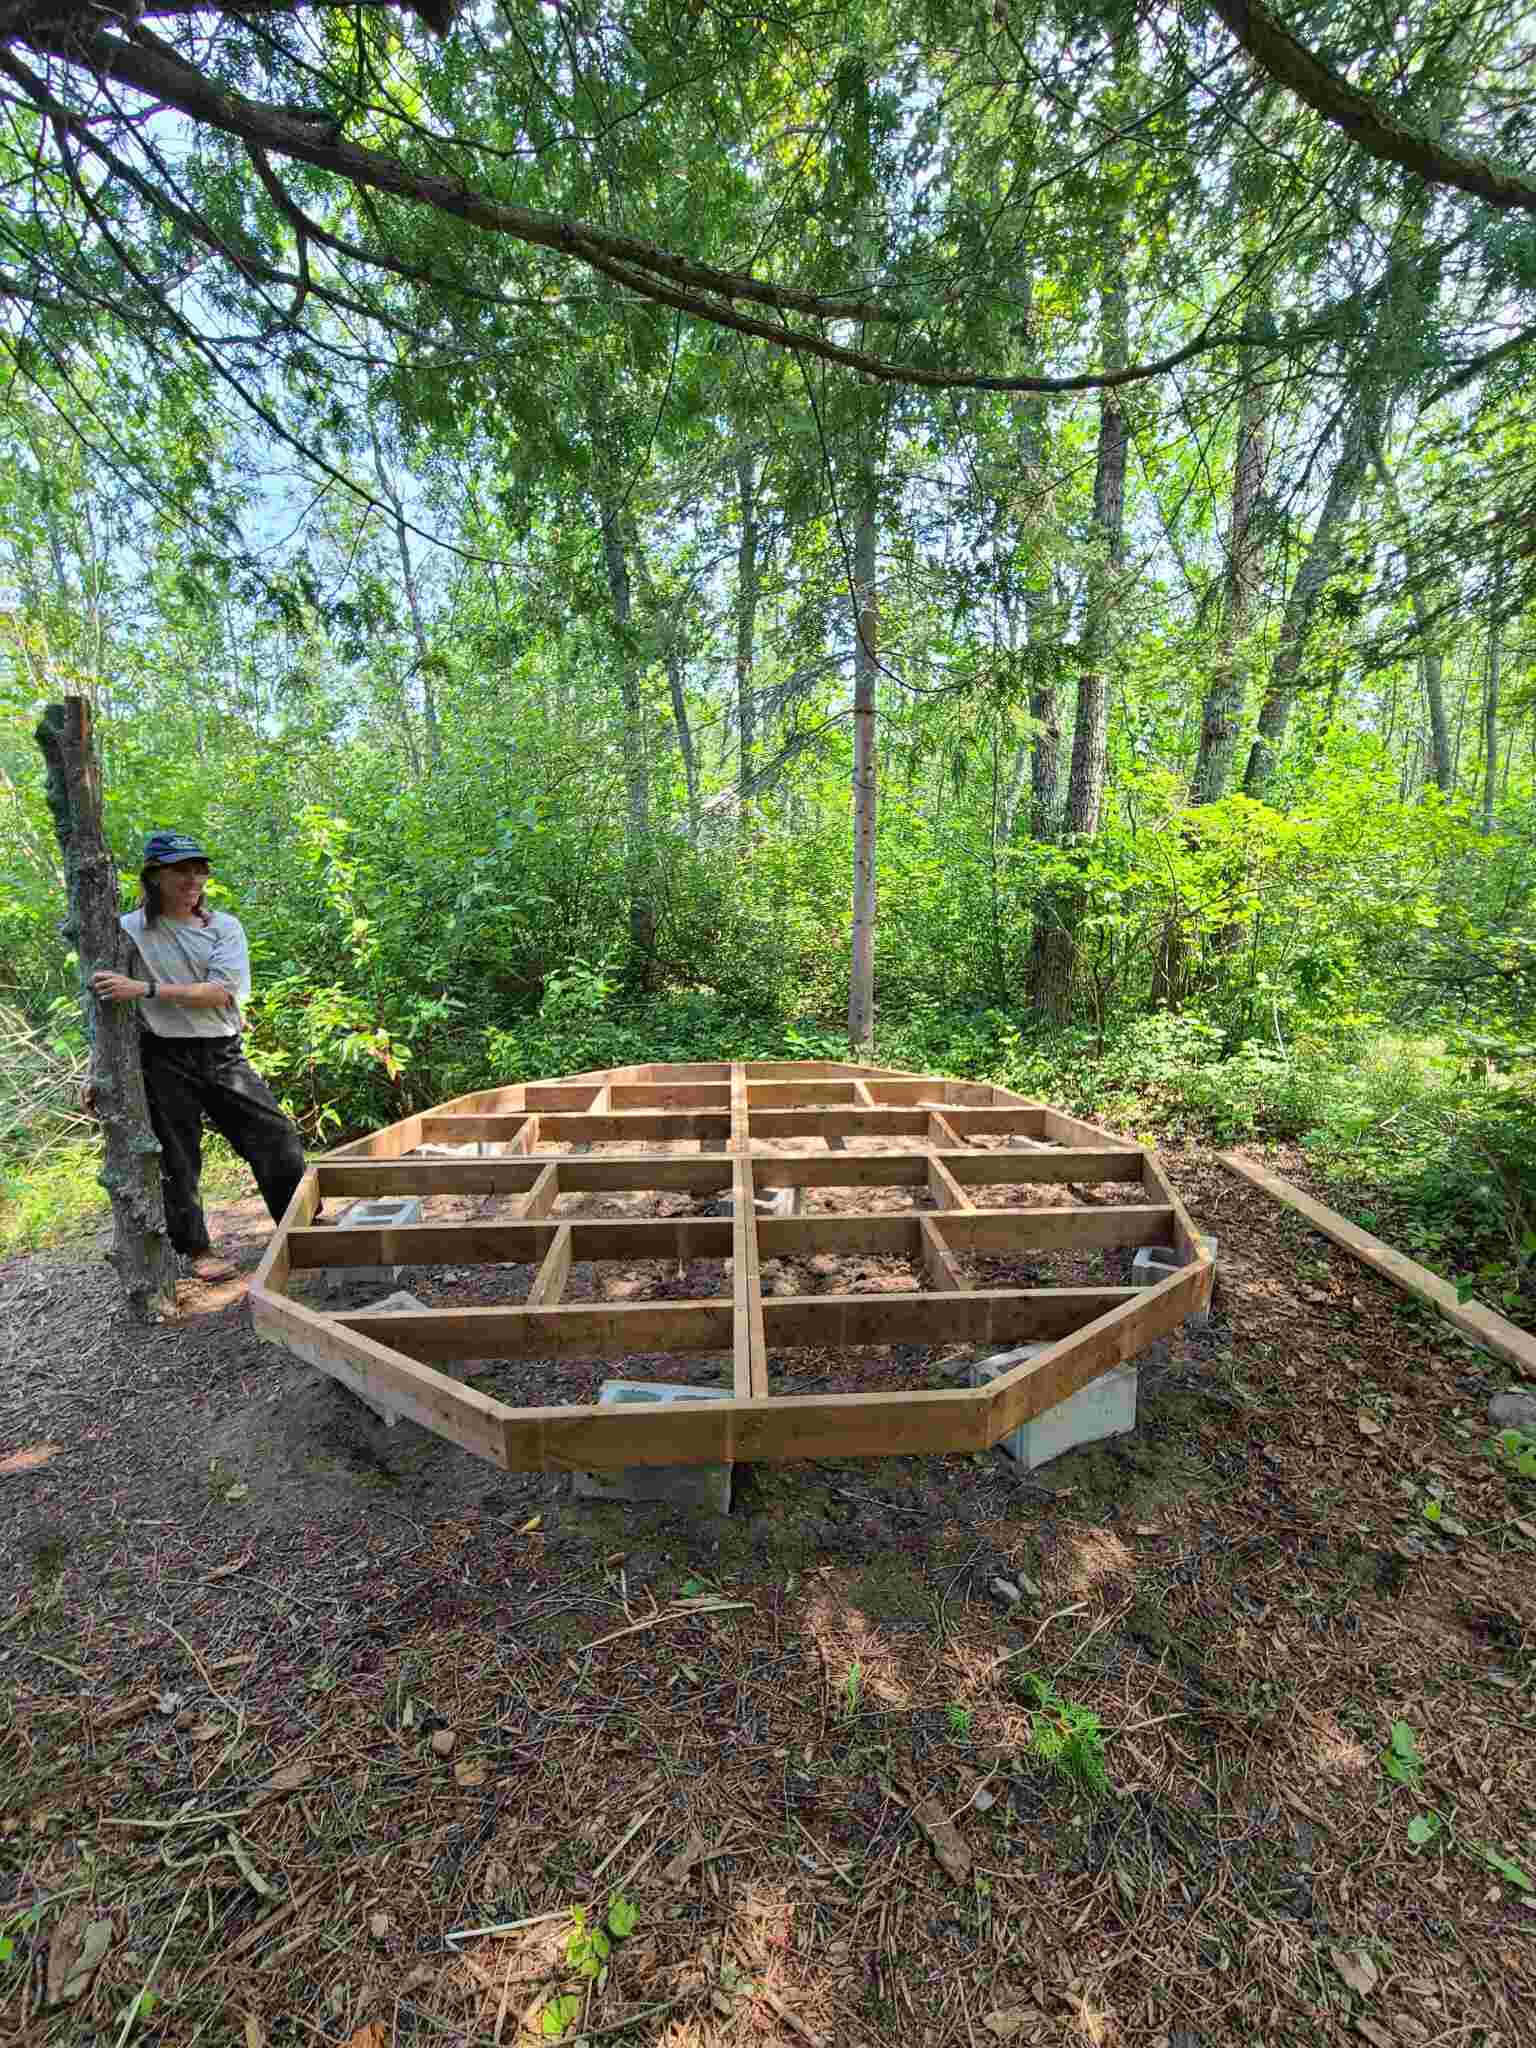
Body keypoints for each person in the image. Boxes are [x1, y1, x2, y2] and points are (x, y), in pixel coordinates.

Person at [90, 831, 309, 1283]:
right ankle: (197, 1249)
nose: (193, 879)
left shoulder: (222, 927)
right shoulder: (126, 930)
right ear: (154, 876)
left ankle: (302, 1227)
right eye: (180, 870)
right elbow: (102, 1002)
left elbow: (220, 992)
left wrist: (146, 989)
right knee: (177, 1159)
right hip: (162, 1054)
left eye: (199, 870)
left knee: (276, 1138)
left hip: (222, 1050)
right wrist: (98, 1072)